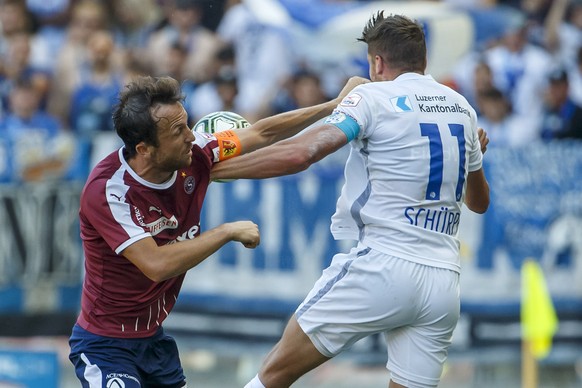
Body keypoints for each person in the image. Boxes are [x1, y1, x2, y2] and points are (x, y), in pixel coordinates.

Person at [211, 12, 490, 388]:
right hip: (442, 280)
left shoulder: (371, 97)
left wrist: (213, 170)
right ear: (423, 60)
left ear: (377, 62)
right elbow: (479, 202)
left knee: (274, 373)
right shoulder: (462, 108)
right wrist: (476, 158)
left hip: (382, 265)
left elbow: (302, 154)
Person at [68, 74, 366, 387]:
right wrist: (225, 231)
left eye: (187, 123)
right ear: (145, 149)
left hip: (153, 343)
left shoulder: (197, 154)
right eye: (178, 131)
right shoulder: (109, 191)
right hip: (105, 345)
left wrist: (333, 105)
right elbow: (156, 265)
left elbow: (262, 133)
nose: (191, 136)